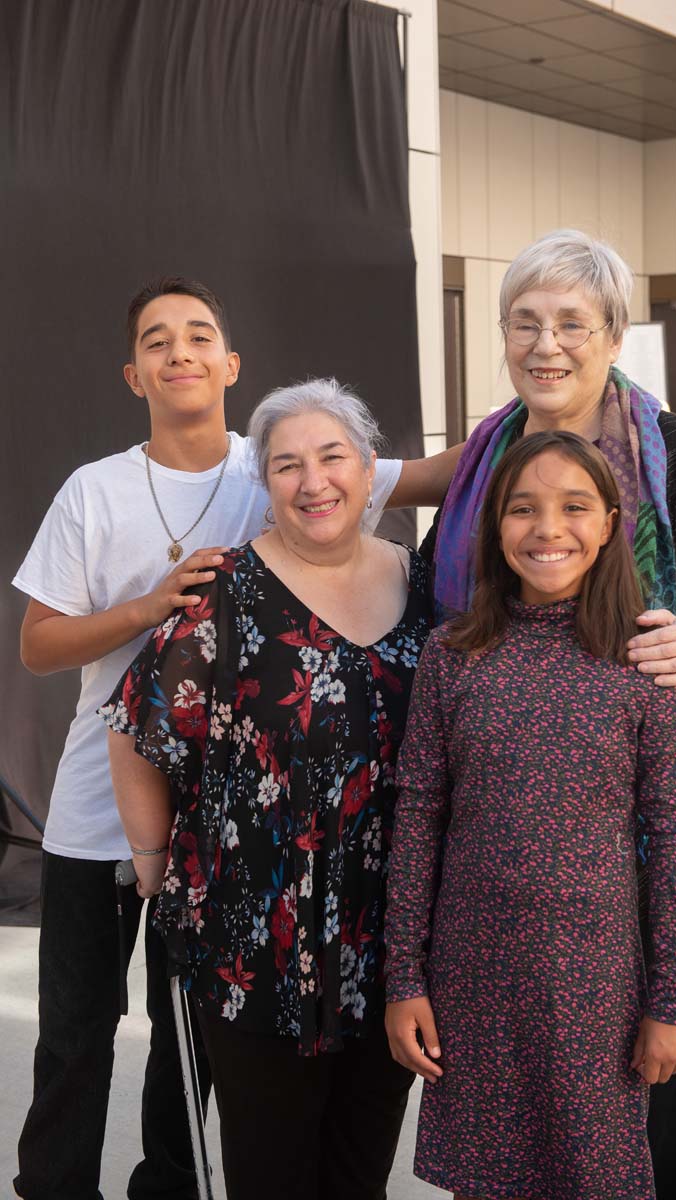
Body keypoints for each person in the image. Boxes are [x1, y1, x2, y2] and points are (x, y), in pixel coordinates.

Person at [12, 277, 457, 1200]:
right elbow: (37, 646)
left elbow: (440, 471)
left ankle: (169, 1186)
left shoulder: (278, 460)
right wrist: (150, 605)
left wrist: (568, 407)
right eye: (157, 341)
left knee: (190, 1042)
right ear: (133, 374)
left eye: (198, 335)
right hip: (106, 810)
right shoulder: (96, 490)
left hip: (217, 829)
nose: (180, 351)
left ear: (230, 364)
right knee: (76, 1030)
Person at [421, 230, 676, 1200]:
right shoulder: (487, 460)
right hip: (511, 839)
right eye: (525, 322)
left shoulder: (673, 451)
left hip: (660, 820)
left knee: (659, 1065)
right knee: (529, 1085)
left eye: (573, 323)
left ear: (614, 336)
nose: (547, 345)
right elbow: (428, 608)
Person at [101, 378, 431, 1200]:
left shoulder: (426, 584)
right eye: (286, 465)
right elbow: (135, 726)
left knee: (359, 1168)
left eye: (332, 457)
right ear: (265, 481)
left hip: (387, 931)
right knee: (271, 1171)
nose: (313, 481)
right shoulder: (225, 592)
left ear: (368, 469)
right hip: (251, 931)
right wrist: (151, 863)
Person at [385, 431, 676, 1200]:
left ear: (609, 524)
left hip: (595, 984)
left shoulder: (645, 659)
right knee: (486, 1181)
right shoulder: (452, 655)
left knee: (594, 1178)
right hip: (472, 979)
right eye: (523, 508)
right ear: (495, 525)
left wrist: (675, 1000)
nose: (547, 528)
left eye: (573, 507)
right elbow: (418, 819)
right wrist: (403, 978)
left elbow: (674, 836)